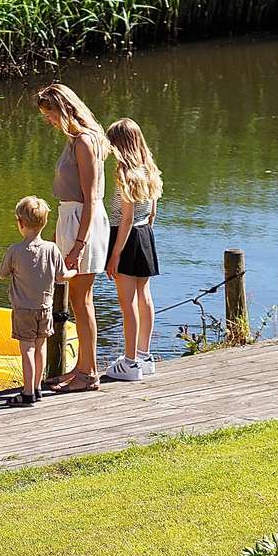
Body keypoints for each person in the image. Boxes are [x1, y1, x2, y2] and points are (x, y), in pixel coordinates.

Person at [36, 82, 110, 393]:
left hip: (84, 221)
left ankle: (89, 372)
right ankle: (81, 367)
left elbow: (91, 197)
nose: (48, 121)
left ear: (64, 110)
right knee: (79, 299)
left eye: (50, 114)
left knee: (82, 300)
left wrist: (78, 245)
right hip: (71, 218)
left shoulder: (84, 141)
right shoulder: (74, 140)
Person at [103, 117, 162, 382]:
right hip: (145, 234)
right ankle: (145, 355)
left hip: (125, 237)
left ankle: (129, 362)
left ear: (119, 145)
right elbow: (152, 212)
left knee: (127, 304)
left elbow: (125, 218)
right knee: (144, 296)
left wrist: (115, 254)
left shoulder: (124, 173)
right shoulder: (149, 168)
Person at [0, 196, 66, 406]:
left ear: (20, 223)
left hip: (22, 310)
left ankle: (27, 393)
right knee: (40, 347)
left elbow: (2, 274)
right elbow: (61, 276)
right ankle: (37, 387)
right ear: (44, 223)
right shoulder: (52, 249)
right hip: (45, 308)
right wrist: (74, 269)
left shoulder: (15, 251)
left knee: (27, 349)